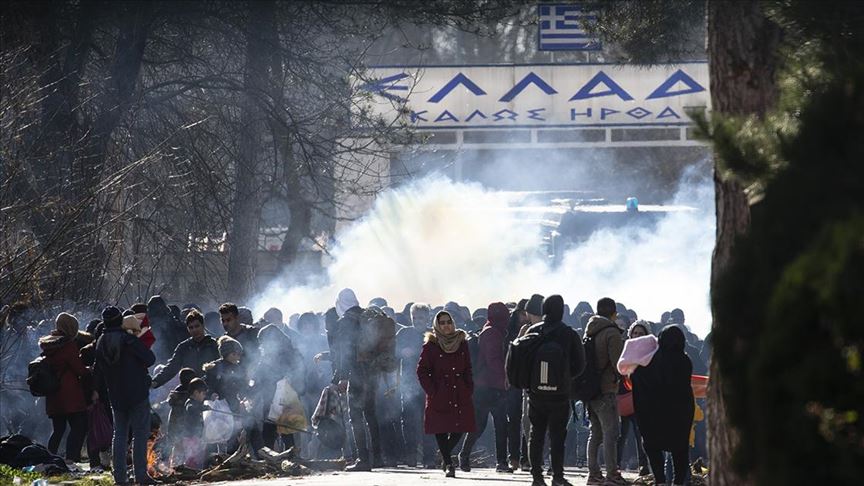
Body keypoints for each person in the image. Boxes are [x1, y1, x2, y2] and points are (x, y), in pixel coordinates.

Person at [524, 295, 585, 486]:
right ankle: (557, 476)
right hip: (560, 394)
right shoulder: (569, 334)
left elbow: (523, 361)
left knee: (536, 435)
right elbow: (580, 364)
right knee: (558, 436)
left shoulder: (533, 331)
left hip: (536, 393)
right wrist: (566, 379)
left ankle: (537, 477)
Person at [94, 305, 157, 485]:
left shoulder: (100, 342)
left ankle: (120, 479)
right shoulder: (128, 340)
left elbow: (97, 371)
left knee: (119, 435)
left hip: (115, 394)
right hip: (137, 392)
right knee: (139, 434)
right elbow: (150, 359)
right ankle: (141, 476)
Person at [631, 326, 695, 486]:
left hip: (654, 415)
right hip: (679, 414)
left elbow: (637, 377)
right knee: (680, 449)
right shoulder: (685, 360)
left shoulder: (651, 360)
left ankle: (659, 480)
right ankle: (678, 482)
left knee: (653, 446)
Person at [328, 288, 382, 471]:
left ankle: (363, 460)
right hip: (373, 372)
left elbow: (346, 353)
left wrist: (341, 378)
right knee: (371, 415)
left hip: (357, 375)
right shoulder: (368, 316)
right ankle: (379, 457)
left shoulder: (346, 322)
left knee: (356, 416)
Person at [417, 310, 476, 478]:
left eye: (448, 321)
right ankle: (449, 464)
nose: (446, 325)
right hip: (439, 392)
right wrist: (432, 390)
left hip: (460, 391)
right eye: (442, 322)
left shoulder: (461, 342)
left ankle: (444, 454)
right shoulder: (431, 345)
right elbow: (422, 371)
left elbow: (468, 368)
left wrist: (468, 386)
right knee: (441, 428)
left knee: (460, 427)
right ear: (437, 325)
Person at [458, 302, 511, 472]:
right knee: (483, 425)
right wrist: (505, 379)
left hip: (487, 386)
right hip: (488, 387)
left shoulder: (493, 330)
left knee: (496, 424)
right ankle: (466, 455)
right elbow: (493, 360)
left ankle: (500, 461)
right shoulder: (492, 333)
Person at [585, 297, 627, 486]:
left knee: (595, 434)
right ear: (614, 313)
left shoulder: (590, 330)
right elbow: (618, 364)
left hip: (590, 390)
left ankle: (593, 474)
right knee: (611, 433)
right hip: (606, 389)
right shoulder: (611, 333)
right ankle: (612, 474)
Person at [38, 312, 90, 466]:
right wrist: (89, 370)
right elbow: (79, 369)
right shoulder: (68, 345)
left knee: (58, 430)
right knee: (78, 426)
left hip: (53, 394)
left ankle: (49, 458)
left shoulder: (48, 344)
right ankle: (71, 458)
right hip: (70, 394)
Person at [396, 302, 437, 468]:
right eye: (414, 317)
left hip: (429, 385)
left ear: (427, 318)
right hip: (408, 385)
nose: (417, 320)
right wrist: (402, 352)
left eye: (420, 317)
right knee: (409, 421)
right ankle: (411, 456)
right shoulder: (404, 333)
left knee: (430, 422)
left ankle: (429, 459)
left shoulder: (434, 335)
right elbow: (392, 353)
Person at [151, 310, 219, 389]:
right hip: (190, 390)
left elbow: (222, 368)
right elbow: (171, 368)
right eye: (191, 327)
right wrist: (155, 382)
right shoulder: (183, 347)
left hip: (211, 389)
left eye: (197, 326)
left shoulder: (214, 345)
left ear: (203, 325)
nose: (194, 330)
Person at [617, 322, 651, 476]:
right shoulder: (624, 349)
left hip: (641, 400)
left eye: (640, 333)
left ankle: (643, 466)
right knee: (619, 435)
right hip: (622, 398)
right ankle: (615, 466)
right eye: (635, 333)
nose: (637, 336)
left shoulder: (650, 352)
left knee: (640, 435)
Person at [506, 298, 530, 471]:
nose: (525, 317)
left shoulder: (535, 329)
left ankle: (526, 458)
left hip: (528, 380)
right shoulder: (509, 331)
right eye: (522, 314)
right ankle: (513, 457)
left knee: (528, 421)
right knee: (514, 420)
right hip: (513, 381)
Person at [202, 336, 248, 414]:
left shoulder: (239, 369)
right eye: (234, 354)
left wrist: (245, 396)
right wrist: (211, 394)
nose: (237, 357)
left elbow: (242, 385)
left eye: (239, 355)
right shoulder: (215, 367)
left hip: (235, 404)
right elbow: (206, 385)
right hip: (218, 407)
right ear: (226, 353)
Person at [219, 303, 260, 375]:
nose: (225, 324)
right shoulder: (223, 341)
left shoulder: (252, 333)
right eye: (223, 321)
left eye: (228, 320)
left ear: (237, 318)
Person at [181, 378, 210, 469]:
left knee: (199, 458)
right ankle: (191, 473)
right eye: (203, 394)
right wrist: (202, 407)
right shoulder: (190, 403)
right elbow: (191, 409)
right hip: (190, 437)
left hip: (197, 436)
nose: (204, 396)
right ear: (196, 392)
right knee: (191, 459)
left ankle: (198, 472)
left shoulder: (197, 403)